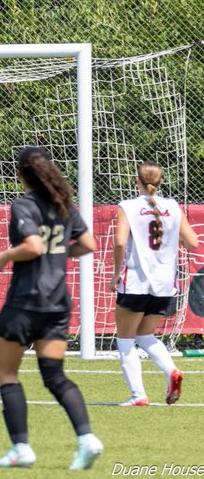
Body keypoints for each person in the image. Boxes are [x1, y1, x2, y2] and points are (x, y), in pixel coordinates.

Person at [0, 146, 103, 471]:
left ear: (21, 174)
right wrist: (60, 253)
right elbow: (89, 245)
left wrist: (5, 256)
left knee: (7, 373)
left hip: (25, 302)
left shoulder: (23, 204)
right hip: (57, 303)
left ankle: (21, 448)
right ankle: (87, 439)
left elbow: (33, 246)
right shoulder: (64, 205)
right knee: (54, 375)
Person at [108, 161, 197, 407]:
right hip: (164, 283)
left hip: (136, 281)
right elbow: (192, 242)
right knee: (145, 334)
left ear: (136, 181)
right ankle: (171, 372)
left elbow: (119, 243)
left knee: (126, 339)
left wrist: (116, 274)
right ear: (161, 182)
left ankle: (138, 395)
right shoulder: (173, 207)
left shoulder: (128, 206)